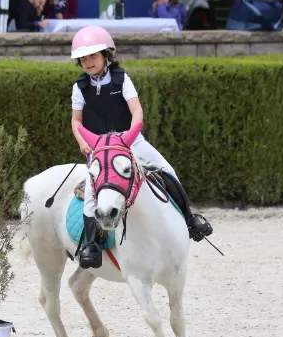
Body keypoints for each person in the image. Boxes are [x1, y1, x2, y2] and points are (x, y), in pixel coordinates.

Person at [68, 26, 213, 269]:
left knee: (168, 171)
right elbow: (76, 121)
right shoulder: (79, 86)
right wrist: (83, 143)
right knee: (92, 195)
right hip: (100, 148)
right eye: (83, 58)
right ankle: (91, 245)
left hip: (130, 141)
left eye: (93, 56)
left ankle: (190, 220)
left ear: (106, 55)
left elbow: (136, 110)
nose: (88, 62)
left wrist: (131, 134)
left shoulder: (121, 78)